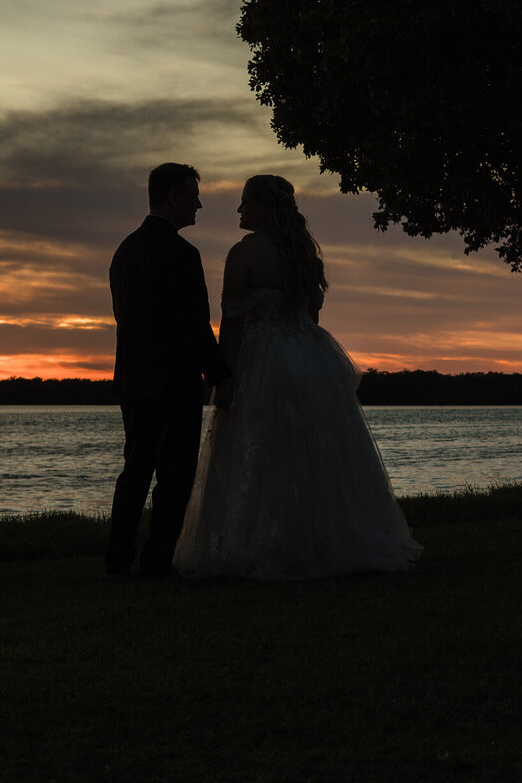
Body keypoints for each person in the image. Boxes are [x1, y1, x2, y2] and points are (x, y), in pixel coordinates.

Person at [174, 174, 421, 579]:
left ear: (264, 208)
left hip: (262, 359)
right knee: (311, 454)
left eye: (246, 202)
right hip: (310, 359)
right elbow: (311, 317)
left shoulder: (244, 253)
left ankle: (259, 543)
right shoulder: (304, 254)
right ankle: (317, 540)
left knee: (261, 451)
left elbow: (231, 323)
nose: (239, 209)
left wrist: (223, 377)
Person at [106, 163, 231, 576]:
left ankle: (117, 559)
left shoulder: (124, 251)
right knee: (175, 475)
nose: (199, 204)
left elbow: (125, 319)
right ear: (173, 197)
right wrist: (220, 375)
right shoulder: (183, 254)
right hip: (175, 380)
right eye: (193, 195)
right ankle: (157, 560)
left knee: (135, 470)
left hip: (134, 380)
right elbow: (194, 325)